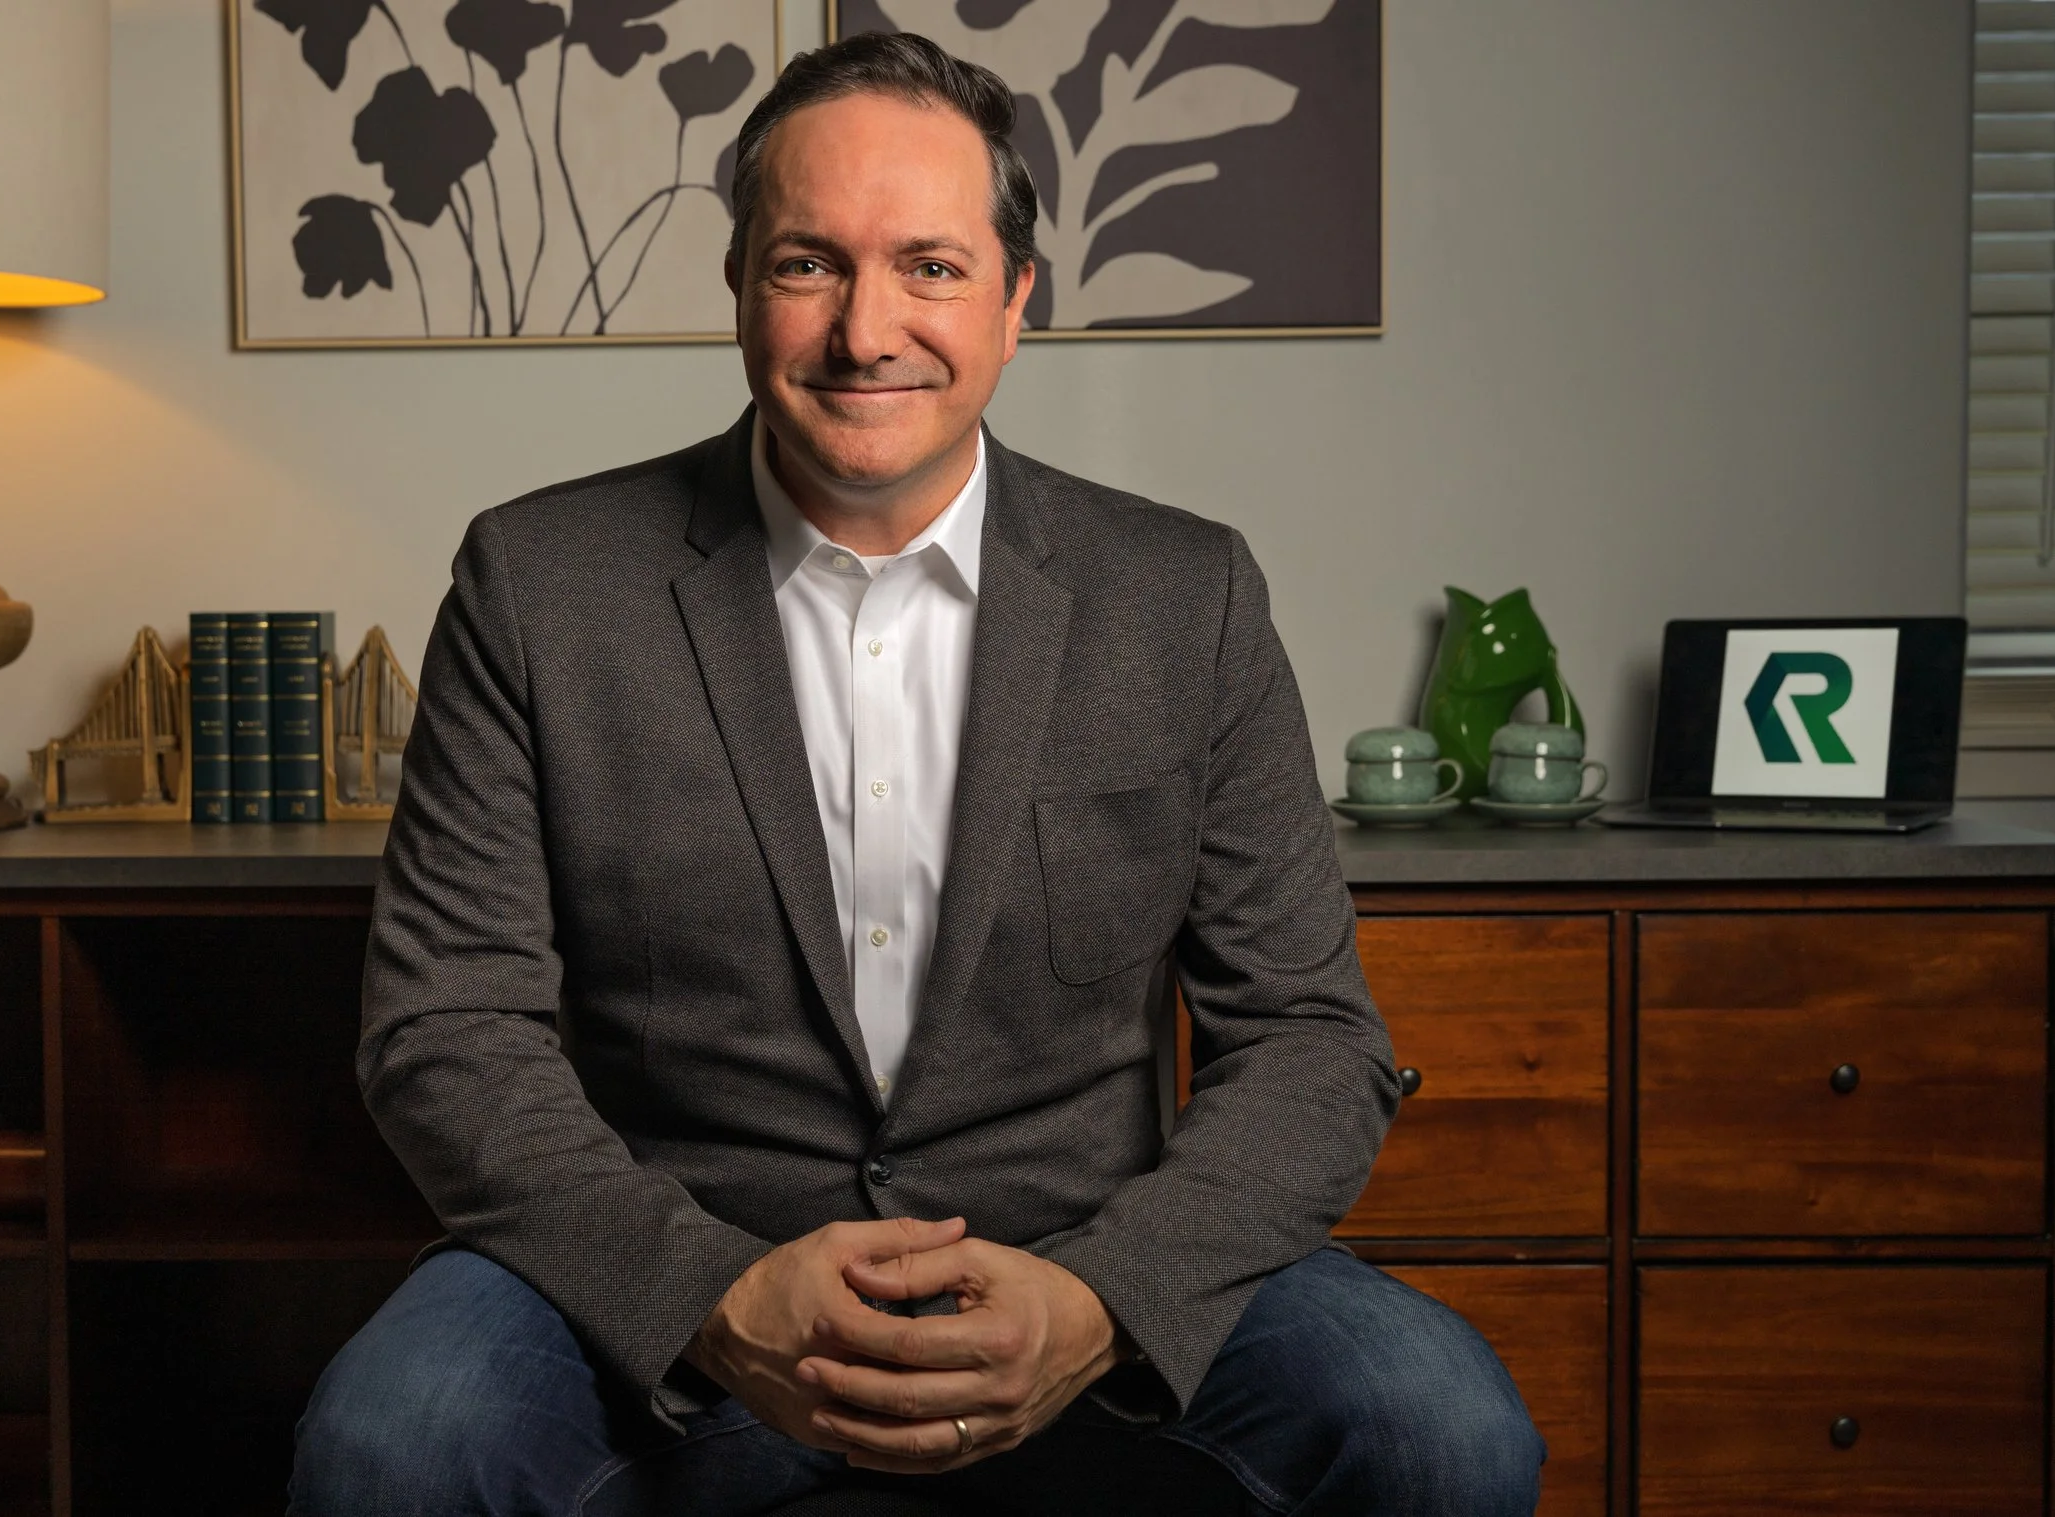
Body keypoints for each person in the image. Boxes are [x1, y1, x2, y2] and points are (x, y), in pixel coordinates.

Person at [292, 29, 1543, 1517]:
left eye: (931, 268)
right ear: (742, 287)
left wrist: (1101, 1302)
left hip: (1081, 1260)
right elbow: (447, 1029)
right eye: (810, 263)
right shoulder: (539, 583)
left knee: (1441, 1432)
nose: (866, 330)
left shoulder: (1182, 596)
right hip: (668, 1268)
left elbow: (1313, 1044)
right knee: (388, 1446)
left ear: (1017, 300)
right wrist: (709, 1293)